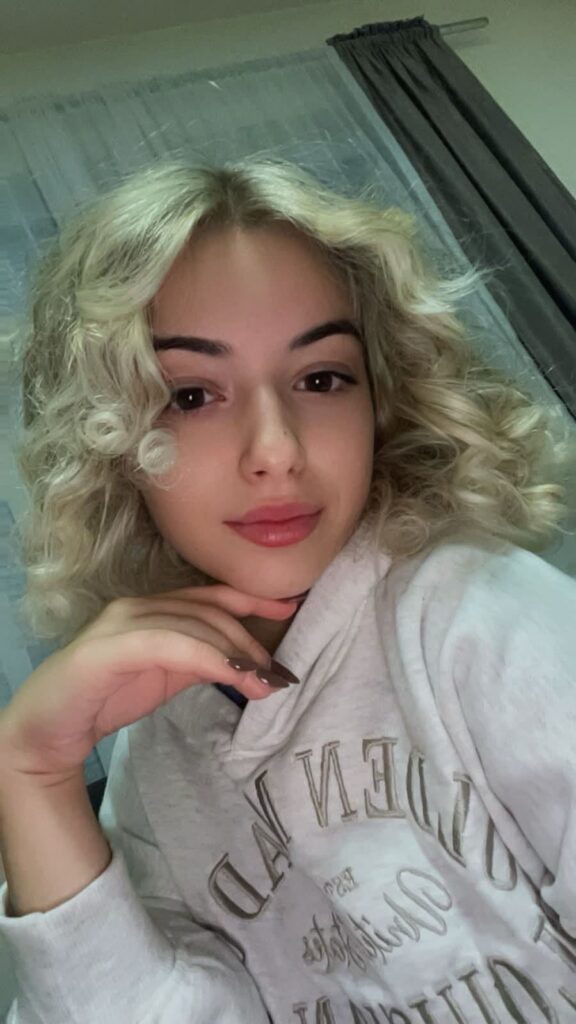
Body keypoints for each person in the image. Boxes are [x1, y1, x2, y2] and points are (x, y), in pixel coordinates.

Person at [0, 156, 575, 1024]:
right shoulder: (159, 744)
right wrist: (32, 772)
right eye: (191, 394)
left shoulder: (483, 619)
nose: (276, 450)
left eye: (321, 378)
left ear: (381, 399)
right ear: (108, 441)